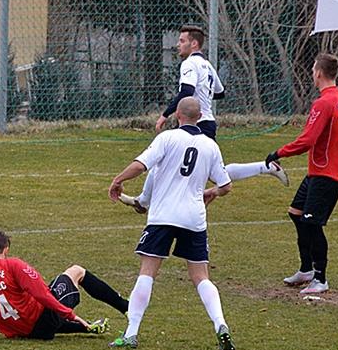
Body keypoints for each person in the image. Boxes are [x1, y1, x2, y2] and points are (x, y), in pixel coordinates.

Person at [108, 97, 235, 350]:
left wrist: (118, 180)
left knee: (147, 272)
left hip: (163, 217)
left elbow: (140, 166)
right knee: (201, 277)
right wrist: (211, 192)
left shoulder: (166, 139)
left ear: (177, 114)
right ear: (200, 117)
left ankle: (131, 333)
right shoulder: (210, 145)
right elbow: (226, 186)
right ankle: (220, 324)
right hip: (194, 218)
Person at [120, 25, 287, 213]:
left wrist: (165, 114)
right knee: (185, 164)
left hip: (196, 122)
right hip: (205, 122)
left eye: (182, 41)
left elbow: (187, 91)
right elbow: (220, 92)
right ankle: (143, 201)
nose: (177, 45)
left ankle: (266, 167)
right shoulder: (207, 65)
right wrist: (203, 95)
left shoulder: (189, 64)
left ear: (194, 44)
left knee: (207, 171)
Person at [264, 53, 338, 295]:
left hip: (326, 175)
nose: (311, 74)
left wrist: (278, 153)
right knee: (296, 213)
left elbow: (307, 140)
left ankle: (320, 278)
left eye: (312, 70)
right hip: (319, 172)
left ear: (318, 73)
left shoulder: (324, 103)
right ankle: (306, 269)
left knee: (312, 223)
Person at [0, 229, 127, 340]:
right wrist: (71, 315)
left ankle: (87, 326)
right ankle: (126, 307)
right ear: (6, 250)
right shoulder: (12, 265)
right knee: (76, 271)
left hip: (21, 332)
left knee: (44, 308)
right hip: (42, 321)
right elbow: (42, 294)